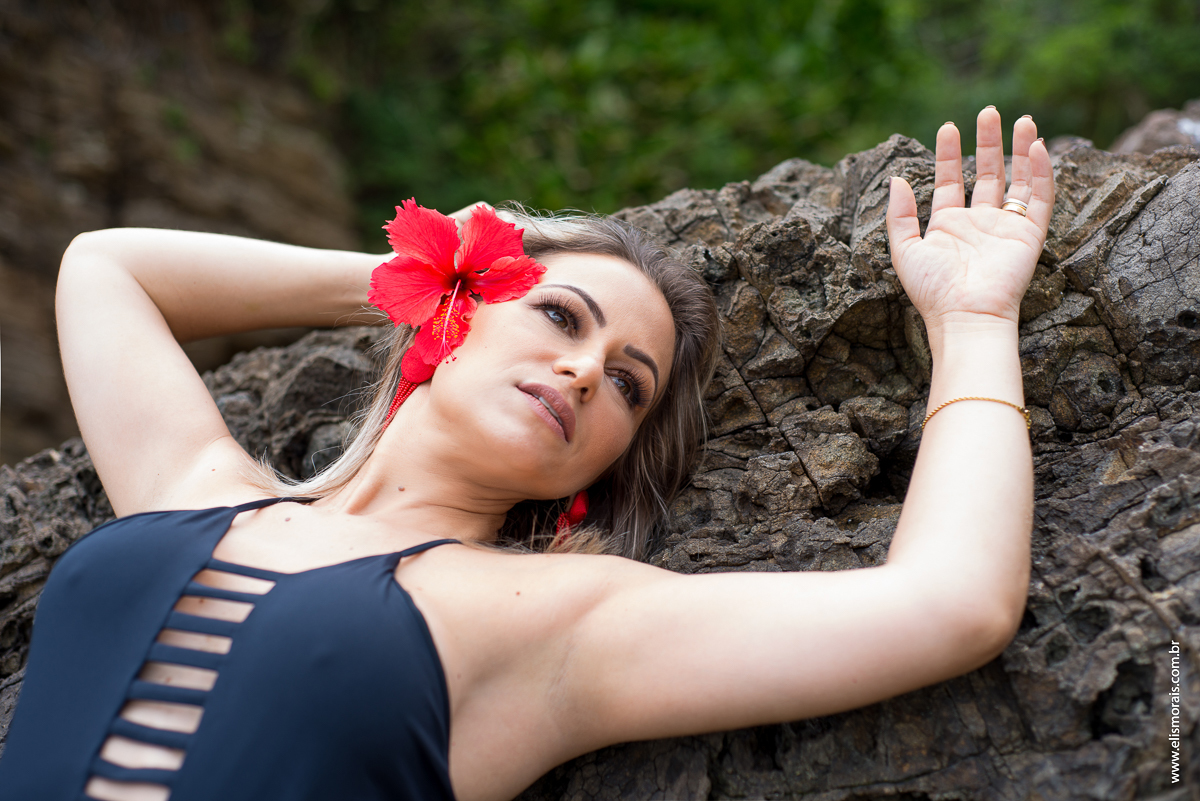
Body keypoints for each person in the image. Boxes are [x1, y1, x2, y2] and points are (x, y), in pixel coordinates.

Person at [0, 107, 1053, 801]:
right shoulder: (191, 490)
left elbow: (949, 605)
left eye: (629, 384)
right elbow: (107, 270)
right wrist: (419, 273)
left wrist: (972, 321)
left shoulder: (557, 622)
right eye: (559, 314)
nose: (589, 369)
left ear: (599, 466)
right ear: (460, 311)